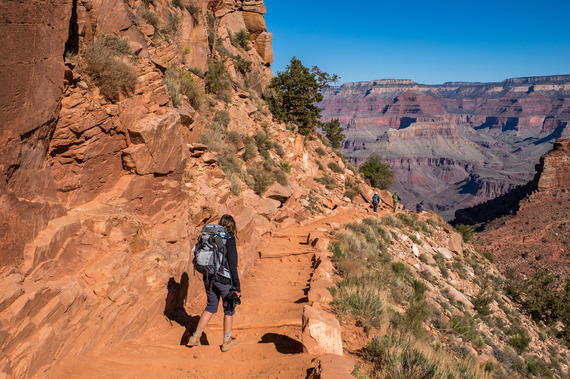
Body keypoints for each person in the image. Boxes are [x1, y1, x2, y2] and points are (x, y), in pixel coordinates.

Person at [188, 214, 241, 352]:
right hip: (224, 280)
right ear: (232, 226)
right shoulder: (229, 240)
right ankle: (227, 341)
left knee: (211, 306)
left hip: (209, 278)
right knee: (229, 309)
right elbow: (233, 265)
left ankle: (195, 337)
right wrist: (237, 287)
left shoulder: (210, 238)